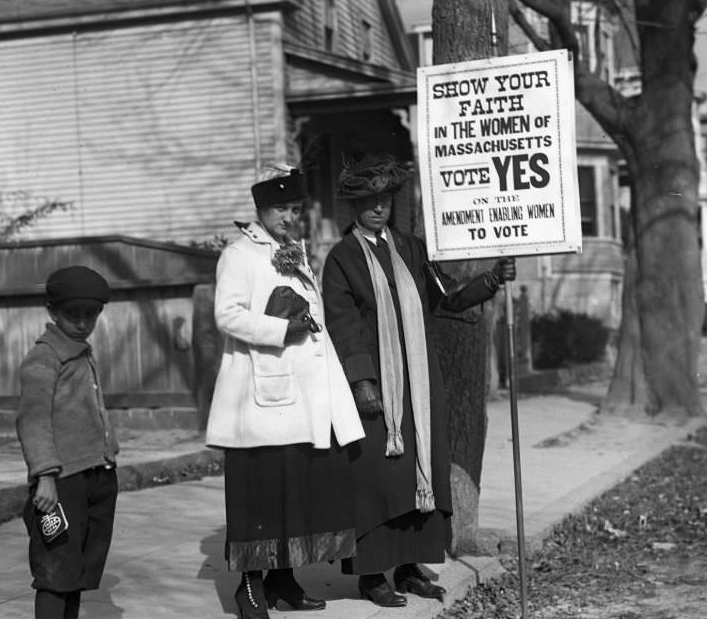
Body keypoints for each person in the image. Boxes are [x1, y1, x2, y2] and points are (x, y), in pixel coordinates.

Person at [321, 154, 516, 608]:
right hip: (374, 388)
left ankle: (409, 568)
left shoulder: (408, 247)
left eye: (384, 199)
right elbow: (343, 325)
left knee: (418, 472)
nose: (378, 208)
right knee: (377, 479)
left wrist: (489, 280)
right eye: (369, 201)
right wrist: (362, 382)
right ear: (354, 206)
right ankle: (371, 576)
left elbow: (444, 298)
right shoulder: (342, 259)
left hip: (420, 384)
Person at [205, 166, 365, 618]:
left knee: (297, 492)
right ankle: (250, 588)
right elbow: (228, 316)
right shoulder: (239, 254)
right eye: (280, 208)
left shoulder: (292, 251)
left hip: (304, 397)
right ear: (260, 209)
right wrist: (281, 328)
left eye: (294, 208)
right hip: (263, 398)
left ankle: (283, 581)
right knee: (261, 493)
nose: (289, 217)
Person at [16, 265, 119, 619]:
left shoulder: (81, 351)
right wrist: (44, 474)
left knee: (77, 572)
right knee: (56, 571)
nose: (82, 322)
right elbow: (33, 419)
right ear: (52, 312)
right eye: (72, 315)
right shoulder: (44, 357)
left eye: (90, 315)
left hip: (97, 473)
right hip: (62, 480)